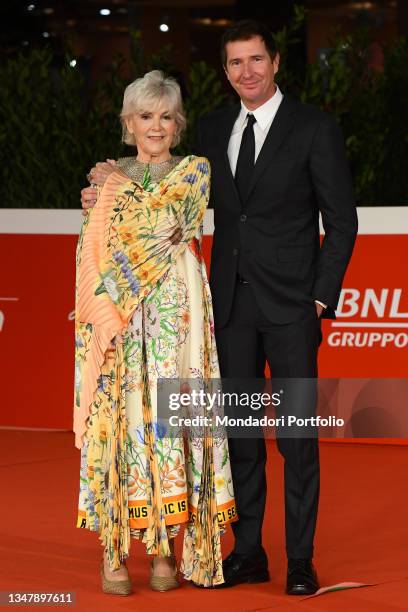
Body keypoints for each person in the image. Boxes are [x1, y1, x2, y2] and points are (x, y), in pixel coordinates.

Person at [82, 21, 358, 596]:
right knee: (240, 440)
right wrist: (103, 181)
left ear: (275, 62)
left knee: (297, 438)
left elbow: (342, 220)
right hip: (227, 308)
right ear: (226, 71)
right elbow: (157, 175)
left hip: (290, 310)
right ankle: (249, 552)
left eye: (256, 59)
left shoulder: (314, 128)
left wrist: (320, 296)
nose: (247, 72)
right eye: (235, 63)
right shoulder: (210, 128)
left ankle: (301, 561)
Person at [75, 69, 236, 596]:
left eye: (166, 116)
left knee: (170, 424)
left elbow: (169, 224)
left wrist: (110, 195)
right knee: (121, 424)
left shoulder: (193, 171)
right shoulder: (107, 181)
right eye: (146, 116)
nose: (157, 126)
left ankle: (165, 545)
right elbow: (91, 252)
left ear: (178, 122)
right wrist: (106, 312)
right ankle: (114, 548)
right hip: (120, 314)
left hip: (175, 313)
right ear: (128, 122)